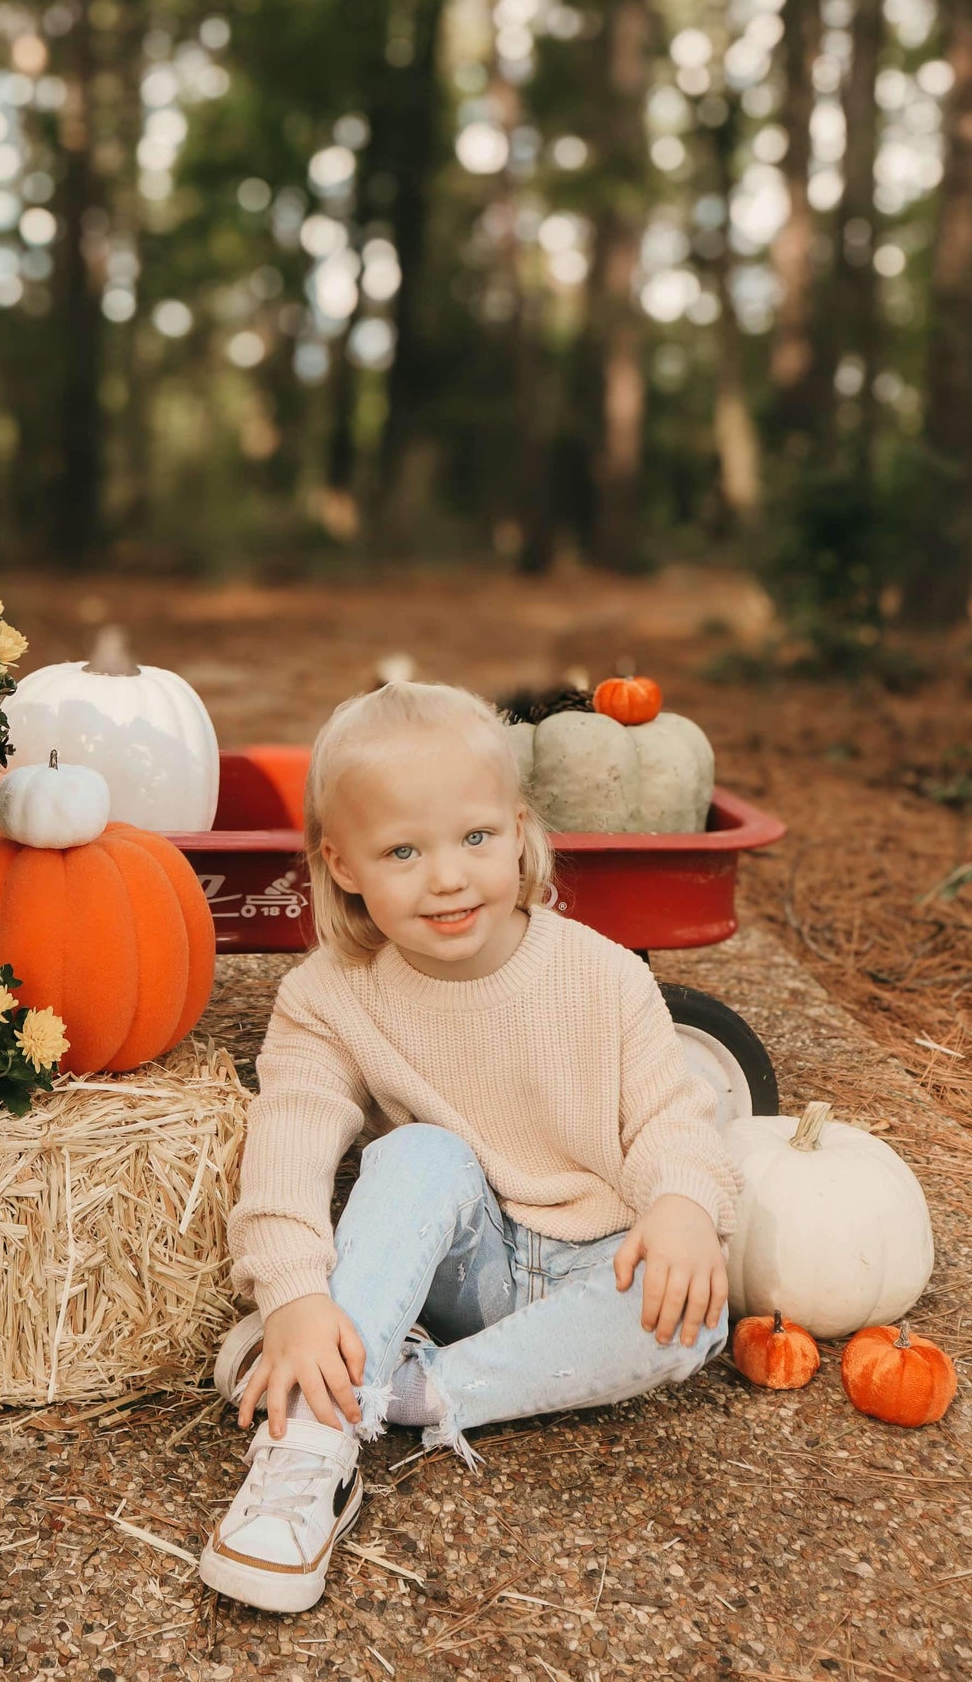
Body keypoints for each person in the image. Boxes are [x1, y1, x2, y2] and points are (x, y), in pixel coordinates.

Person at [198, 680, 739, 1615]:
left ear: (519, 829)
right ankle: (309, 1446)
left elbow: (668, 1116)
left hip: (592, 1271)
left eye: (475, 839)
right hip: (464, 1262)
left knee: (692, 1319)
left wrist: (683, 1204)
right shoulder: (330, 996)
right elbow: (286, 1137)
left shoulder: (599, 976)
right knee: (419, 1154)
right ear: (342, 863)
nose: (446, 877)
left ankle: (401, 1389)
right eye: (402, 851)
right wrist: (287, 1293)